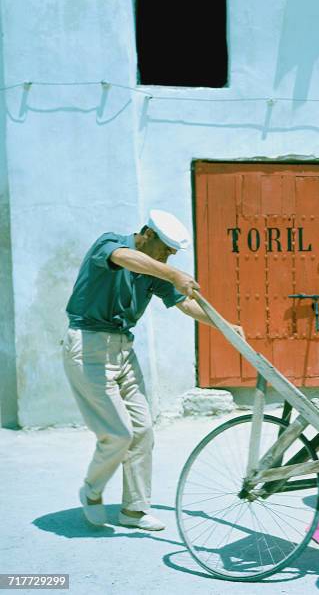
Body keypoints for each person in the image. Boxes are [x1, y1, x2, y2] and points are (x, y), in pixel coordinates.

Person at [62, 209, 244, 530]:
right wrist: (172, 274)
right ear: (146, 233)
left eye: (173, 254)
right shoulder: (111, 244)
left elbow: (183, 302)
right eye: (166, 249)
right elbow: (123, 258)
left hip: (122, 348)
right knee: (118, 433)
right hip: (89, 347)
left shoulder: (156, 270)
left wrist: (224, 325)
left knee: (143, 430)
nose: (169, 257)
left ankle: (133, 509)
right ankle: (91, 491)